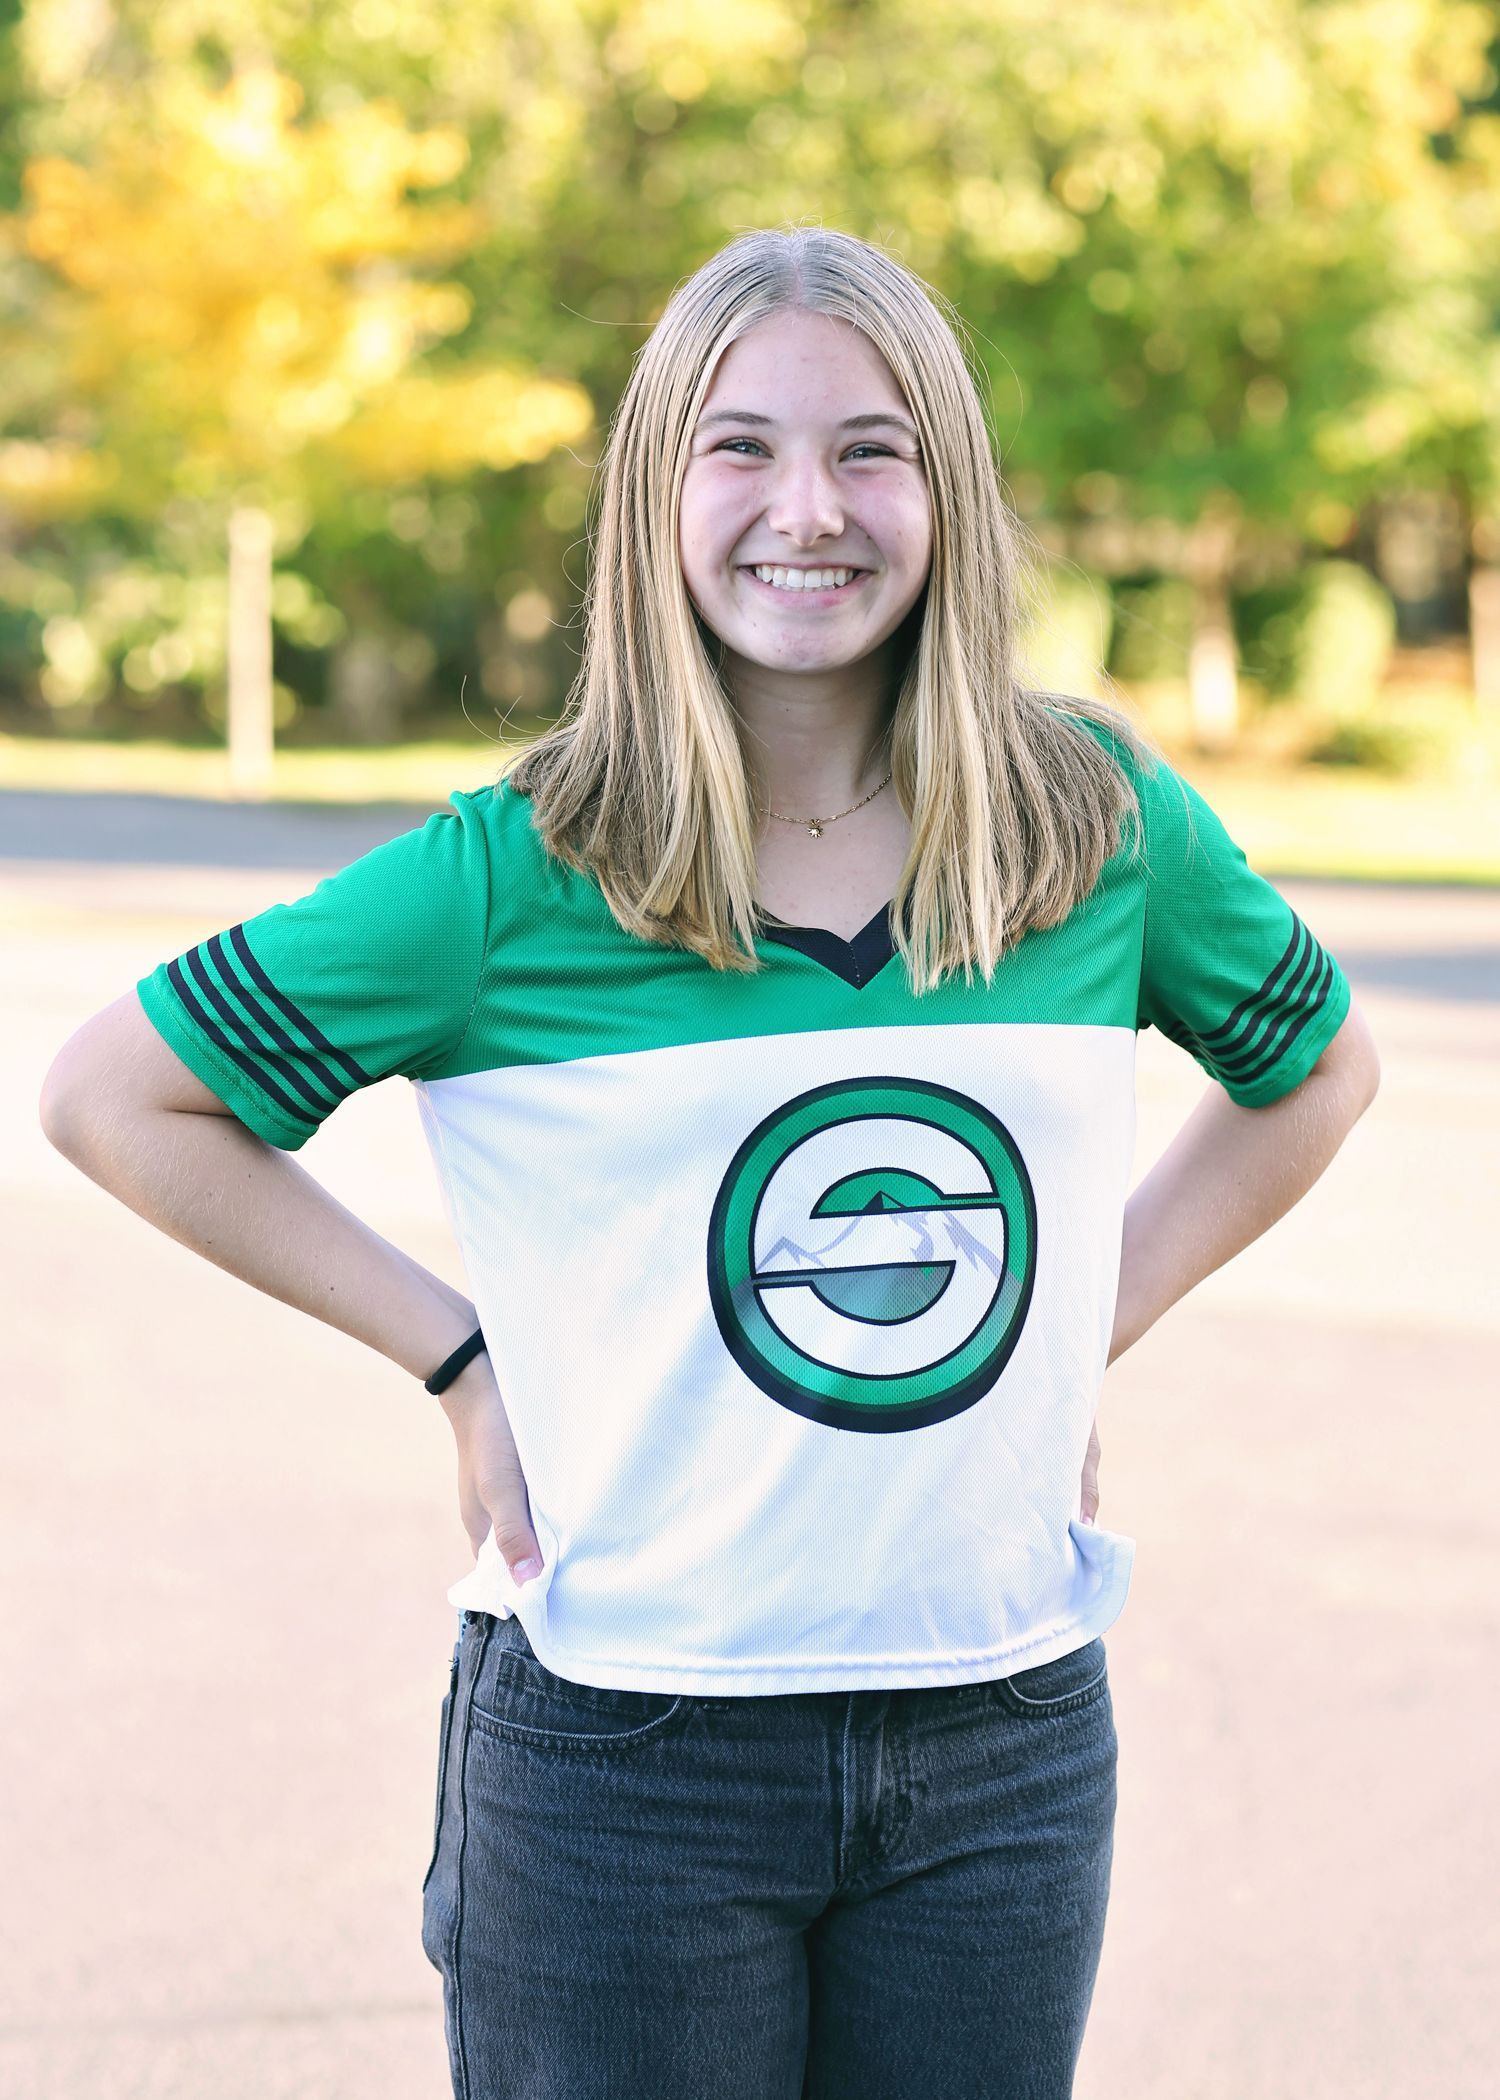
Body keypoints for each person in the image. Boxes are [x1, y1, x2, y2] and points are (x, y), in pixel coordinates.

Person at [39, 225, 1380, 2099]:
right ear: (655, 490)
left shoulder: (1096, 825)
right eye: (738, 446)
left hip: (1000, 1741)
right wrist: (458, 1356)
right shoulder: (518, 867)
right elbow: (121, 1097)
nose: (805, 507)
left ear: (952, 492)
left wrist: (1089, 1324)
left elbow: (1313, 1070)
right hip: (626, 1759)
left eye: (872, 448)